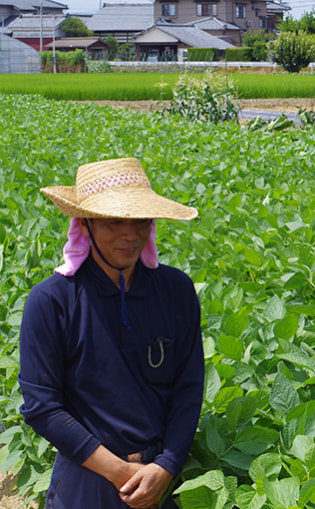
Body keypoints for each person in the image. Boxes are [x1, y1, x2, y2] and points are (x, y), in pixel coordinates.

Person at [19, 157, 205, 509]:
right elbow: (41, 406)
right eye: (113, 222)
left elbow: (189, 385)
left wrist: (166, 466)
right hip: (87, 479)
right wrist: (120, 471)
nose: (129, 234)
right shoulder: (53, 301)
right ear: (84, 224)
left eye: (139, 222)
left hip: (161, 477)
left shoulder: (175, 291)